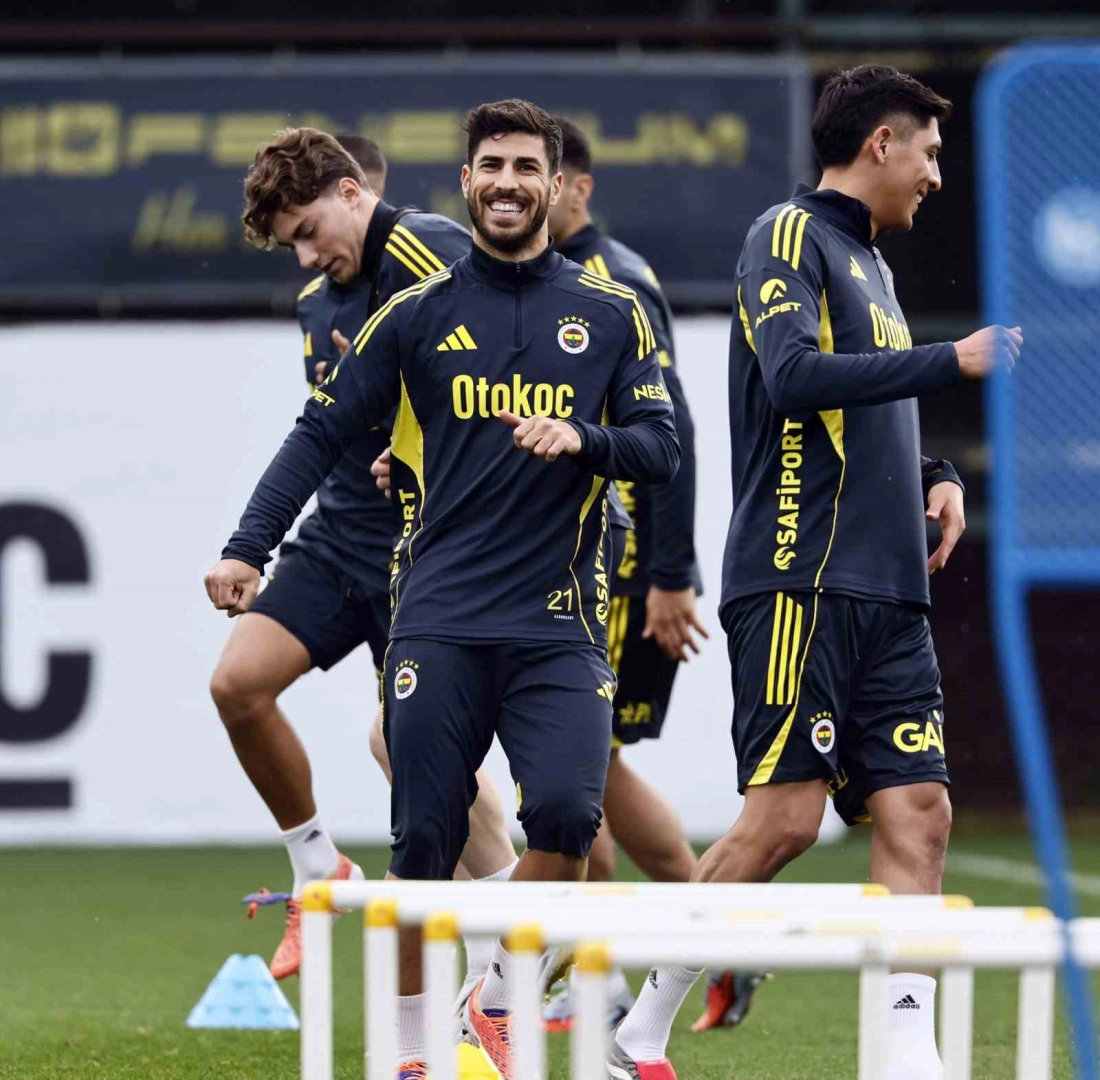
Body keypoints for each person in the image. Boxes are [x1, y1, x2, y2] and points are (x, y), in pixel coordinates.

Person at [204, 99, 679, 1080]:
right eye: (489, 167)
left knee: (564, 815)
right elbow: (324, 431)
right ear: (466, 179)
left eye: (525, 167)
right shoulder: (397, 311)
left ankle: (500, 985)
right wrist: (250, 544)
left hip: (548, 603)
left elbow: (656, 446)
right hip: (425, 593)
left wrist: (586, 448)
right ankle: (412, 1046)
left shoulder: (596, 306)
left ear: (555, 184)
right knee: (413, 828)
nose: (506, 183)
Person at [605, 65, 1021, 1080]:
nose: (934, 175)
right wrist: (950, 360)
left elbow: (864, 402)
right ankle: (636, 1031)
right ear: (879, 143)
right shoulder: (785, 236)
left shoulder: (872, 264)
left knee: (921, 814)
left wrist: (932, 474)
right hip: (801, 578)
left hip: (889, 590)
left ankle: (906, 1055)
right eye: (927, 151)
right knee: (784, 821)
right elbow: (793, 378)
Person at [208, 127, 517, 984]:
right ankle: (319, 865)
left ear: (352, 194)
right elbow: (323, 430)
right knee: (237, 683)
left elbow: (508, 372)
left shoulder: (433, 250)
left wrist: (426, 443)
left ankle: (511, 932)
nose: (306, 258)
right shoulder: (319, 302)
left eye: (308, 232)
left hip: (423, 550)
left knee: (404, 746)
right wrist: (248, 546)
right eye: (291, 246)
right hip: (340, 536)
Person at [542, 116, 754, 1035]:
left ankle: (616, 973)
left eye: (543, 175)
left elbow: (675, 429)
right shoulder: (542, 277)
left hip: (620, 568)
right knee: (594, 767)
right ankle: (705, 940)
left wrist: (671, 573)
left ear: (578, 188)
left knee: (580, 767)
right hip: (576, 561)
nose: (523, 191)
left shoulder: (615, 277)